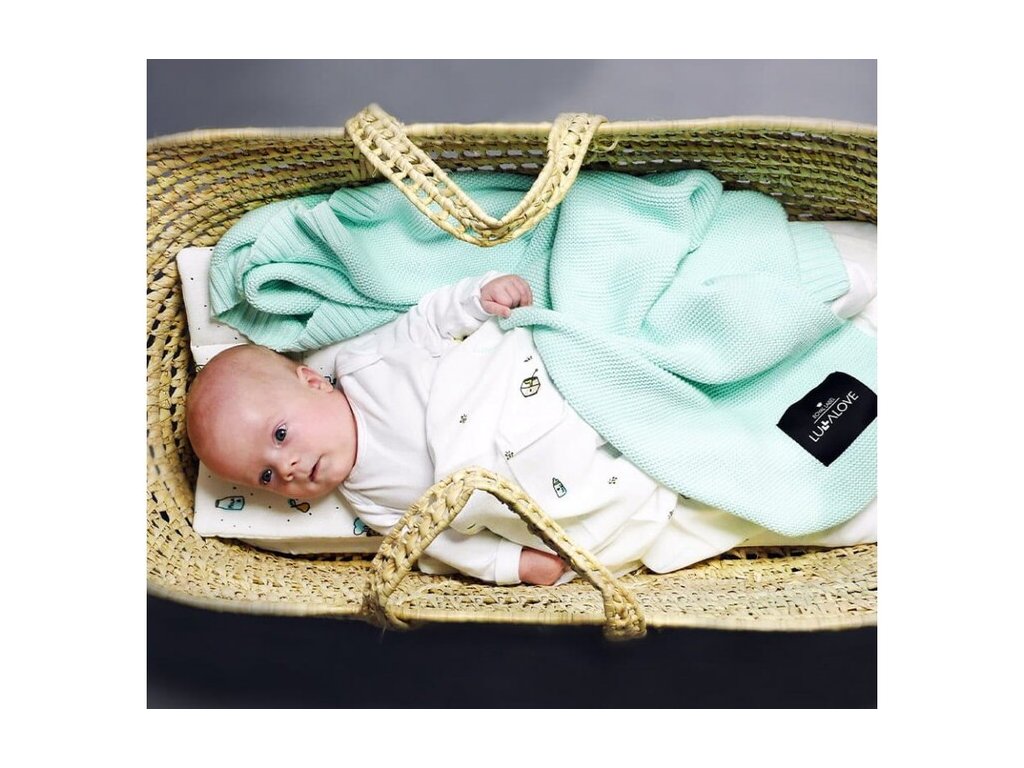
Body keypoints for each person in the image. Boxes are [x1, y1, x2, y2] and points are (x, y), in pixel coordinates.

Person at [187, 271, 876, 588]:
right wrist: (510, 566)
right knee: (700, 486)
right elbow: (437, 548)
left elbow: (428, 323)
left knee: (683, 385)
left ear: (311, 381)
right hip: (578, 494)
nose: (289, 468)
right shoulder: (369, 501)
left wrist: (477, 298)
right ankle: (826, 447)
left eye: (281, 436)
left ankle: (817, 312)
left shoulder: (365, 366)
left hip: (568, 394)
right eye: (267, 476)